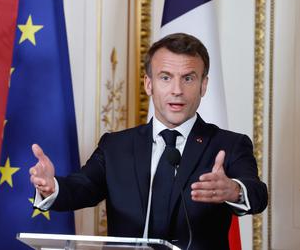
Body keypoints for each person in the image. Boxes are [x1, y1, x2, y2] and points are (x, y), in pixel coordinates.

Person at [29, 33, 268, 249]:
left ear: (203, 85)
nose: (177, 90)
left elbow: (257, 194)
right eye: (165, 78)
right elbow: (82, 187)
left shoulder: (229, 145)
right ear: (149, 84)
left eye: (188, 79)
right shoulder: (115, 146)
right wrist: (52, 186)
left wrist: (234, 190)